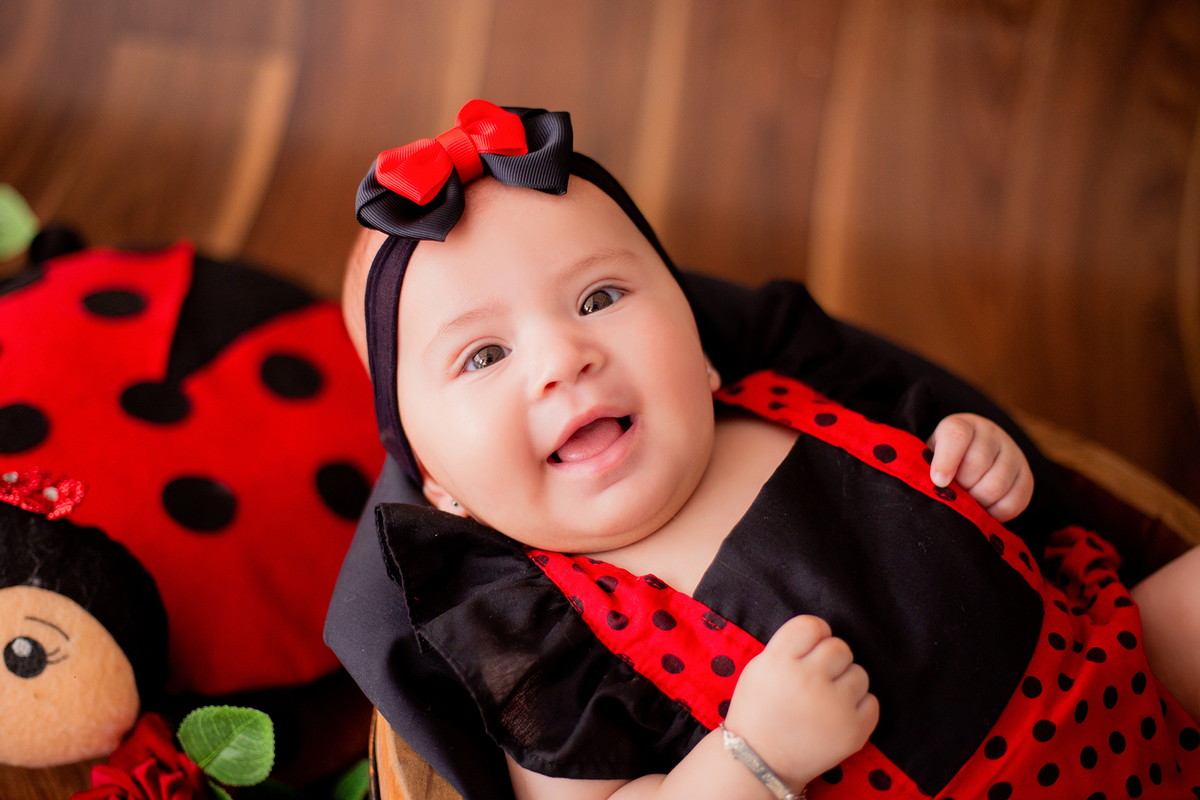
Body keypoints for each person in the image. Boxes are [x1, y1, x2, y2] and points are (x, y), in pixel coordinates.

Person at [333, 100, 1200, 799]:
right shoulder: (548, 630)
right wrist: (750, 759)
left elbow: (961, 487)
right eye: (485, 356)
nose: (565, 358)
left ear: (704, 344)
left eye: (600, 297)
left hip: (1109, 673)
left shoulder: (785, 400)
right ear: (437, 483)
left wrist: (976, 457)